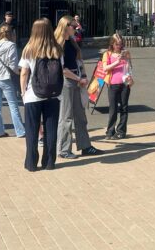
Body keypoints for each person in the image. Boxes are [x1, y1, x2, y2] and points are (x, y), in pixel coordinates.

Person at [54, 15, 102, 158]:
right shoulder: (58, 44)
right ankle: (64, 150)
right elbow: (61, 69)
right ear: (65, 26)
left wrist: (84, 76)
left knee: (80, 115)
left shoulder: (72, 42)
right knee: (66, 117)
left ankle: (85, 146)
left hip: (77, 79)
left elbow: (79, 61)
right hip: (66, 82)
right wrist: (78, 78)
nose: (77, 29)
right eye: (74, 26)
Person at [20, 18, 63, 172]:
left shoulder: (29, 48)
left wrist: (23, 92)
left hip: (33, 94)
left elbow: (24, 73)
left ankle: (31, 163)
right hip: (53, 95)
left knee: (32, 130)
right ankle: (49, 162)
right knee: (51, 129)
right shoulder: (57, 49)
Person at [0, 24, 25, 138]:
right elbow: (13, 64)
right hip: (4, 78)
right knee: (13, 106)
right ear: (11, 33)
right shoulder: (11, 45)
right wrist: (20, 72)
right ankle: (20, 131)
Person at [102, 34, 132, 139]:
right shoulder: (107, 54)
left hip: (124, 83)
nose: (119, 46)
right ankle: (110, 131)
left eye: (120, 44)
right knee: (113, 108)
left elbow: (129, 68)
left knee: (124, 107)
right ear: (112, 44)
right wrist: (117, 62)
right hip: (113, 83)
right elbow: (105, 68)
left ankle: (121, 131)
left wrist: (127, 59)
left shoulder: (125, 53)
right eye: (117, 44)